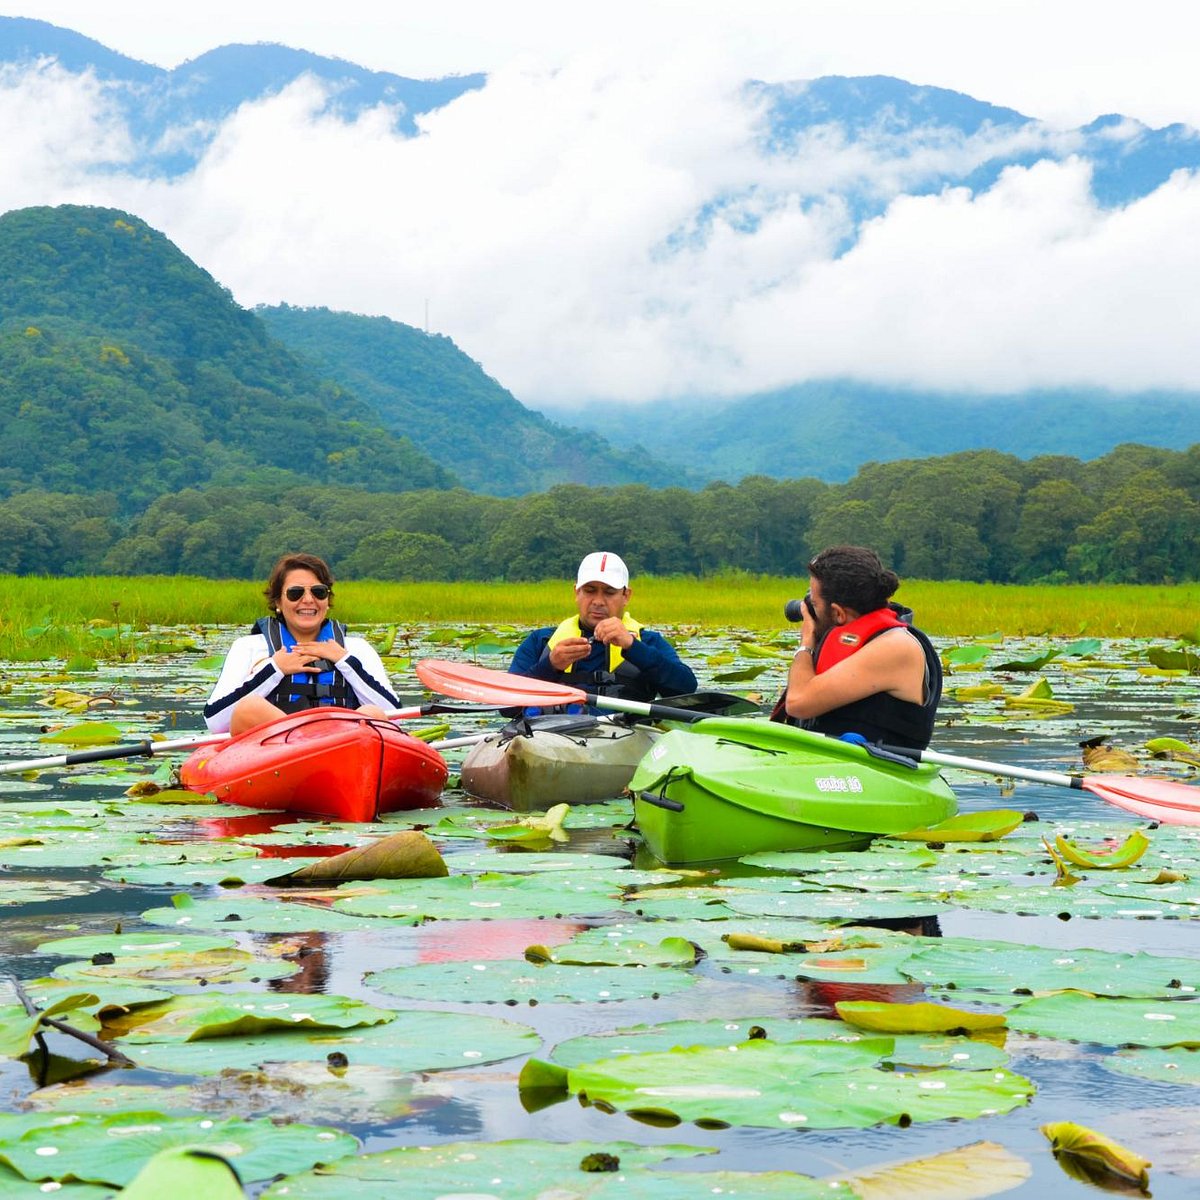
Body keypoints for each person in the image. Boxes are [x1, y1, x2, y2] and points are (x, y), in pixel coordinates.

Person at [204, 553, 401, 735]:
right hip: (275, 755)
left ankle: (320, 752)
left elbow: (393, 717)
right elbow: (215, 721)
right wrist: (274, 669)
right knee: (250, 709)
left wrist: (345, 661)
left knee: (371, 713)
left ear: (328, 600)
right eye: (295, 593)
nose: (308, 600)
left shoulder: (356, 649)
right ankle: (309, 747)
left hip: (343, 747)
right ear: (278, 602)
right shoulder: (249, 647)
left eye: (319, 592)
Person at [771, 544, 941, 750]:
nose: (808, 611)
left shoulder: (895, 647)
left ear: (838, 613)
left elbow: (798, 703)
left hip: (882, 770)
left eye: (814, 605)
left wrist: (806, 643)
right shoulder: (857, 641)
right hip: (831, 762)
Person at [508, 551, 697, 711]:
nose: (598, 601)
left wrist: (633, 647)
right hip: (554, 735)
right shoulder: (540, 641)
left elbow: (686, 690)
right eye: (589, 591)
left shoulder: (648, 642)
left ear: (626, 596)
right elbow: (507, 707)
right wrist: (550, 665)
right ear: (576, 593)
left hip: (625, 737)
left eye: (609, 592)